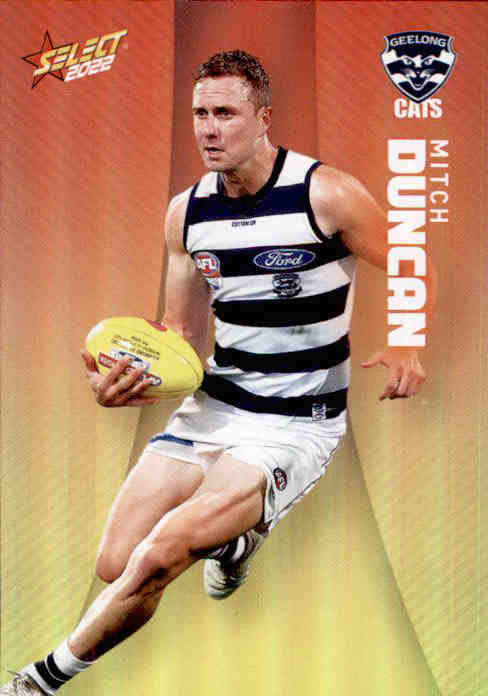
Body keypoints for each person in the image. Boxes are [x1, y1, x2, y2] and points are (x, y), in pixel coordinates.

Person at [1, 50, 432, 696]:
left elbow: (411, 261)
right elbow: (180, 337)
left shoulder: (326, 194)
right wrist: (123, 384)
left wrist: (407, 342)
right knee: (116, 563)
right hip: (217, 405)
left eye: (226, 113)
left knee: (158, 557)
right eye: (200, 113)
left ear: (264, 119)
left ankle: (37, 682)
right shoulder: (187, 213)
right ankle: (235, 543)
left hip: (295, 422)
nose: (208, 128)